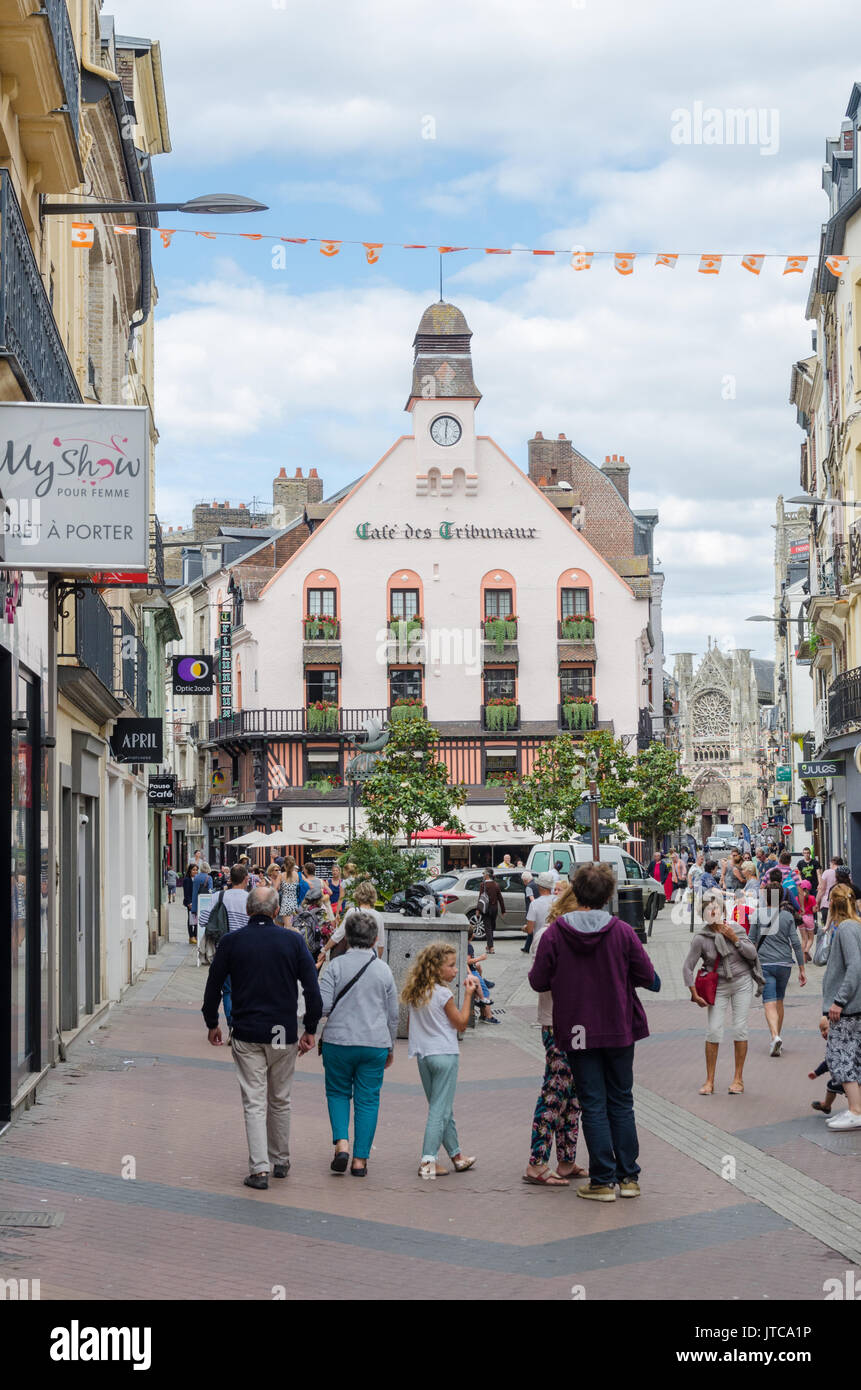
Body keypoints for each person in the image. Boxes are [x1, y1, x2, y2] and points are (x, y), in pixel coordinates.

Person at [529, 863, 658, 1201]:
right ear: (608, 895)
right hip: (618, 1025)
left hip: (577, 1028)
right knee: (622, 1101)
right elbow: (646, 974)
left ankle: (602, 1180)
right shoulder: (622, 931)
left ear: (576, 890)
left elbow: (537, 980)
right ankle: (629, 1177)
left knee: (593, 1103)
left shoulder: (556, 934)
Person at [201, 885, 323, 1189]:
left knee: (254, 1100)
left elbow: (213, 985)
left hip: (247, 1031)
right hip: (282, 1031)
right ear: (277, 911)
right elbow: (312, 989)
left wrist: (212, 1021)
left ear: (247, 911)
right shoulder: (293, 942)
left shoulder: (232, 942)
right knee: (280, 1098)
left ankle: (259, 1169)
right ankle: (280, 1159)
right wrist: (310, 1028)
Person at [318, 911, 399, 1176]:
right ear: (375, 939)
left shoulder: (335, 967)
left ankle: (341, 1143)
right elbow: (393, 1014)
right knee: (368, 1100)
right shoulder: (383, 970)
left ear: (347, 938)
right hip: (374, 1042)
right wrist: (390, 1047)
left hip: (338, 1041)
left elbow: (324, 1007)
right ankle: (360, 1160)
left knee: (338, 1092)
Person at [523, 880, 585, 1188]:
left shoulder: (569, 935)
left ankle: (566, 1160)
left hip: (573, 1024)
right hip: (555, 1022)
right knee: (554, 1091)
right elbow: (539, 979)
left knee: (571, 1096)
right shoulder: (548, 936)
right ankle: (536, 1163)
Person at [402, 941, 478, 1179]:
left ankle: (457, 1156)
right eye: (451, 966)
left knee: (442, 1108)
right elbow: (461, 1023)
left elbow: (408, 1025)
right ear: (437, 968)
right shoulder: (443, 993)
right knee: (439, 1110)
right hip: (444, 1054)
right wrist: (468, 995)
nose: (455, 970)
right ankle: (428, 1160)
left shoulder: (416, 991)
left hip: (423, 1056)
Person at [683, 888, 764, 1095]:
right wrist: (693, 992)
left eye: (715, 907)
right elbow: (687, 967)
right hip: (717, 985)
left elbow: (753, 953)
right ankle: (709, 1080)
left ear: (722, 909)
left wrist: (735, 940)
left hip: (742, 982)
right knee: (714, 1030)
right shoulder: (701, 938)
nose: (712, 911)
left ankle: (738, 1079)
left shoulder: (735, 928)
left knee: (739, 1028)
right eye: (708, 908)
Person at [819, 884, 861, 1129]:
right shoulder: (856, 926)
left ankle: (855, 1110)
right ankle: (855, 1108)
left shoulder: (845, 928)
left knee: (840, 1057)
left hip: (847, 1007)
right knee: (853, 1057)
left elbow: (855, 967)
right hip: (855, 1006)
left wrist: (839, 1001)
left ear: (832, 904)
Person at [748, 877, 806, 1056]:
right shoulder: (788, 916)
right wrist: (802, 968)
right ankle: (777, 1037)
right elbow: (796, 943)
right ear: (781, 897)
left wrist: (748, 961)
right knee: (779, 999)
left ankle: (774, 1036)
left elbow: (751, 940)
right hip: (785, 964)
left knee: (769, 1002)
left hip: (765, 963)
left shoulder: (758, 914)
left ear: (766, 897)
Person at [197, 863, 252, 1024]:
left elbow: (202, 921)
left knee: (228, 991)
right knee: (245, 989)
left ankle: (232, 1024)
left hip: (223, 950)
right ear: (246, 879)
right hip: (247, 949)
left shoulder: (217, 897)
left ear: (230, 879)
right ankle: (244, 1021)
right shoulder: (251, 899)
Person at [320, 880, 386, 964]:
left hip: (353, 956)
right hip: (370, 958)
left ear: (357, 895)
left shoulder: (352, 912)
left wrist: (324, 949)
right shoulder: (378, 916)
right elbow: (380, 944)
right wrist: (377, 961)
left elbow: (338, 935)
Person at [466, 924, 497, 1023]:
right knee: (485, 992)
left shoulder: (464, 944)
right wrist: (481, 958)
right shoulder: (469, 946)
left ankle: (483, 1015)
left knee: (481, 987)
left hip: (473, 971)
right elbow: (467, 961)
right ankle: (488, 1016)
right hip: (472, 972)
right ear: (472, 936)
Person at [478, 867, 504, 954]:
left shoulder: (483, 885)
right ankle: (489, 946)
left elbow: (480, 898)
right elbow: (500, 898)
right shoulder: (496, 884)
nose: (483, 875)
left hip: (486, 909)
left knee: (488, 928)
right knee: (491, 928)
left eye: (483, 874)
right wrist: (503, 910)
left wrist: (478, 909)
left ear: (487, 875)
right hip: (494, 909)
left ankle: (491, 947)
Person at [816, 855, 842, 929]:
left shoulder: (827, 872)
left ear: (833, 863)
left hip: (826, 904)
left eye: (830, 864)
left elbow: (822, 889)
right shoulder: (845, 873)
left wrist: (816, 902)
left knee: (827, 929)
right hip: (842, 905)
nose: (829, 865)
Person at [190, 861, 213, 943]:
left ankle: (196, 937)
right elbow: (210, 891)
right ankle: (202, 937)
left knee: (196, 920)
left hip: (196, 901)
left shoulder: (196, 877)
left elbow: (194, 891)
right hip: (205, 901)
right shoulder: (209, 878)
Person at [798, 879, 817, 962]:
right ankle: (807, 950)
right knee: (811, 938)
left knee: (803, 939)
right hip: (809, 918)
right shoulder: (812, 898)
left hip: (800, 918)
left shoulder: (797, 897)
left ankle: (803, 958)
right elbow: (814, 910)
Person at [520, 870, 538, 954]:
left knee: (531, 929)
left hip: (532, 911)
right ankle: (526, 947)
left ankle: (528, 948)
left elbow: (532, 900)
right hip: (539, 909)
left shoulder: (529, 887)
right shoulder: (537, 884)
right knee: (534, 930)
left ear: (525, 880)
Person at [181, 864, 197, 943]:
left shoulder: (196, 879)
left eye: (196, 870)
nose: (195, 871)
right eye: (193, 870)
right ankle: (191, 936)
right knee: (191, 919)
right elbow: (186, 893)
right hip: (190, 903)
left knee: (196, 919)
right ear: (190, 870)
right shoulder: (187, 879)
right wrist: (189, 903)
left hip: (196, 902)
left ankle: (195, 935)